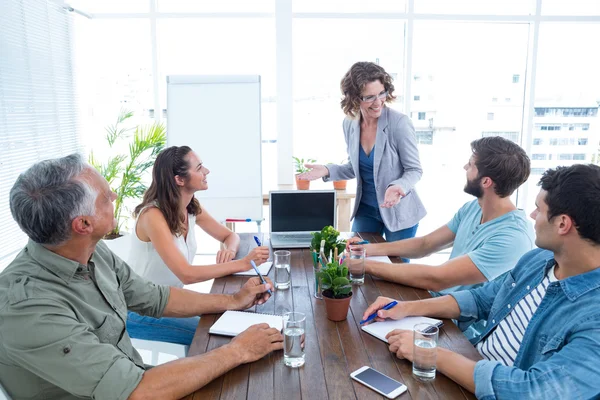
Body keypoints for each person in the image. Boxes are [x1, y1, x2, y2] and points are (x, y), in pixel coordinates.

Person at [0, 154, 283, 400]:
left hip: (138, 383)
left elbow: (156, 297)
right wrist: (238, 351)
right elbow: (138, 392)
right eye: (105, 197)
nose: (114, 197)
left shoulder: (91, 252)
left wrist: (234, 300)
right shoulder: (28, 307)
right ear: (83, 224)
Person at [362, 164, 600, 399]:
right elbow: (480, 298)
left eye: (539, 209)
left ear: (562, 224)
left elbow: (530, 391)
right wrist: (405, 308)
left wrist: (432, 354)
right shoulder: (538, 260)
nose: (532, 215)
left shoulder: (594, 318)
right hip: (468, 363)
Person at [348, 136, 534, 338]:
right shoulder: (474, 208)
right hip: (436, 306)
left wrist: (363, 264)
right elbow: (425, 244)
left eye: (470, 165)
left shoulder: (513, 237)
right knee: (358, 306)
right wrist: (367, 249)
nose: (465, 167)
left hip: (462, 331)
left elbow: (438, 279)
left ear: (486, 181)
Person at [125, 145, 270, 346]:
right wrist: (244, 263)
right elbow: (187, 274)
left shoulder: (191, 207)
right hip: (142, 311)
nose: (206, 171)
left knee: (232, 322)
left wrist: (229, 250)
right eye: (199, 167)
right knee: (220, 337)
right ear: (179, 179)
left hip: (172, 303)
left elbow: (230, 235)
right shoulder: (153, 216)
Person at [298, 61, 426, 246]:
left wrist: (398, 186)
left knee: (396, 270)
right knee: (358, 260)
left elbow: (414, 170)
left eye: (382, 93)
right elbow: (354, 167)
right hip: (366, 210)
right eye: (369, 97)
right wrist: (327, 170)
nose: (378, 102)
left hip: (399, 211)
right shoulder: (350, 123)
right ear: (354, 98)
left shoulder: (399, 123)